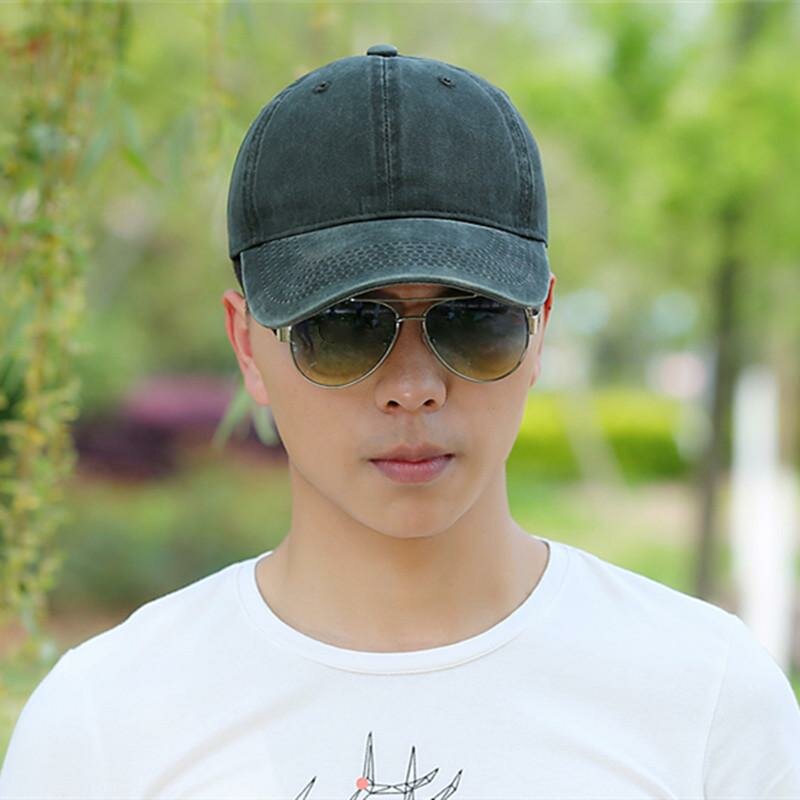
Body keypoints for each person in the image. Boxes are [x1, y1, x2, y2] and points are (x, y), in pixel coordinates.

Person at [1, 44, 799, 800]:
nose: (414, 389)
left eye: (472, 319)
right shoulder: (106, 726)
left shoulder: (709, 700)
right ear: (247, 345)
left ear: (542, 328)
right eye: (344, 326)